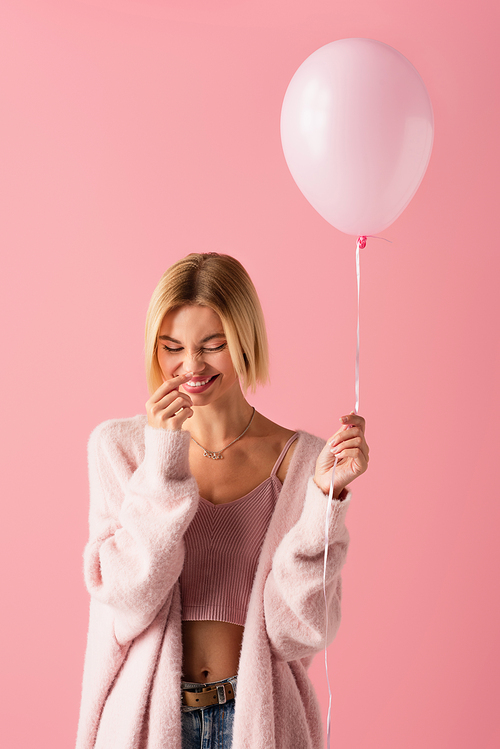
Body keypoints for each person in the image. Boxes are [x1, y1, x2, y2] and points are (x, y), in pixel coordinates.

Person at [75, 252, 369, 749]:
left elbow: (298, 632)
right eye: (172, 347)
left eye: (213, 346)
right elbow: (127, 598)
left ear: (245, 341)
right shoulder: (119, 448)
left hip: (258, 723)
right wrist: (164, 460)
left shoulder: (303, 462)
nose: (190, 366)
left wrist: (326, 498)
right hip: (150, 723)